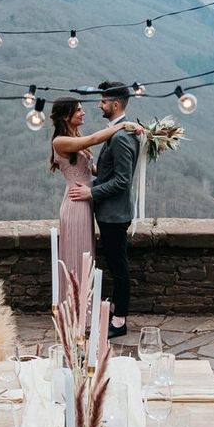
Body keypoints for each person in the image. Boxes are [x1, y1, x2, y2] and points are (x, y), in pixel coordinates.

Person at [50, 97, 124, 306]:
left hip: (85, 201)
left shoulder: (75, 136)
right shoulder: (60, 141)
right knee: (77, 255)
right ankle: (76, 310)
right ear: (66, 116)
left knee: (85, 255)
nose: (83, 113)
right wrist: (123, 125)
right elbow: (93, 139)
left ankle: (84, 308)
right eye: (79, 110)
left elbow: (94, 173)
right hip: (75, 204)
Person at [83, 81, 142, 338]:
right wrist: (96, 170)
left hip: (114, 216)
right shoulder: (121, 133)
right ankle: (116, 312)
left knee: (119, 268)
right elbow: (114, 172)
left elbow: (122, 181)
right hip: (111, 214)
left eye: (103, 102)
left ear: (115, 105)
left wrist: (91, 192)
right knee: (117, 264)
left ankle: (119, 321)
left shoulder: (120, 137)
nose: (100, 105)